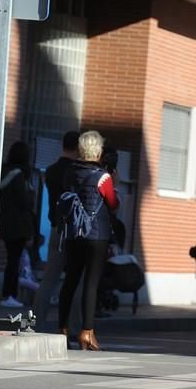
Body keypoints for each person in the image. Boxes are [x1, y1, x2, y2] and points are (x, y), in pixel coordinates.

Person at [58, 130, 119, 350]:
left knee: (70, 280)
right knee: (91, 283)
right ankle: (87, 331)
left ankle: (62, 329)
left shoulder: (69, 171)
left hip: (74, 233)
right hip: (97, 235)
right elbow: (113, 204)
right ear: (98, 151)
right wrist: (115, 181)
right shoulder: (103, 177)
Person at [33, 131, 81, 332]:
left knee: (49, 279)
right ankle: (74, 327)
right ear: (78, 147)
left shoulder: (51, 171)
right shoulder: (78, 171)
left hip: (56, 228)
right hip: (76, 231)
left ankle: (37, 323)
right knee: (76, 280)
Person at [0, 141, 35, 308]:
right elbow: (25, 201)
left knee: (12, 260)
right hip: (18, 226)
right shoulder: (18, 175)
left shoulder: (5, 171)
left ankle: (10, 294)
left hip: (6, 224)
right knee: (14, 261)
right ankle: (9, 295)